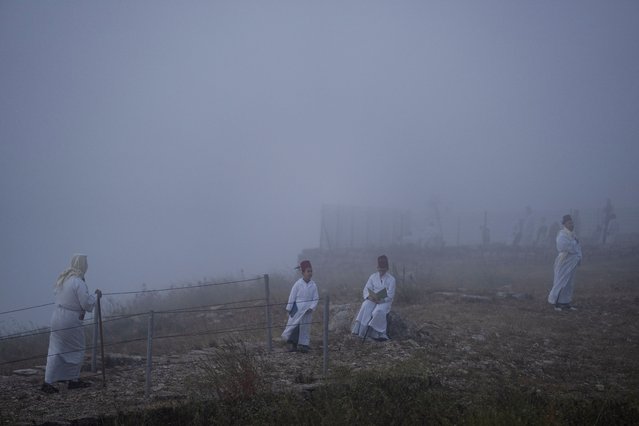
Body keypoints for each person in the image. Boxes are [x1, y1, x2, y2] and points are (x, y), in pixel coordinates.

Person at [41, 254, 101, 393]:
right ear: (83, 265)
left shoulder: (64, 279)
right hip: (70, 319)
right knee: (77, 348)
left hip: (57, 317)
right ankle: (73, 380)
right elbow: (86, 304)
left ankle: (48, 382)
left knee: (55, 350)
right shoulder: (78, 282)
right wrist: (95, 296)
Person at [351, 255, 396, 341]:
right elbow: (367, 289)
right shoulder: (373, 277)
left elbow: (390, 294)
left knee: (378, 311)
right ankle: (362, 331)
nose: (381, 271)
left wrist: (381, 300)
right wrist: (370, 297)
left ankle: (377, 334)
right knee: (365, 306)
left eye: (383, 269)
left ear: (386, 269)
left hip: (384, 301)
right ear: (377, 268)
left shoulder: (391, 279)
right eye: (380, 269)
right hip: (373, 298)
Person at [281, 260, 319, 353]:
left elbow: (316, 298)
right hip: (297, 309)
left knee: (305, 327)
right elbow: (292, 296)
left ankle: (304, 345)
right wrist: (289, 308)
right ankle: (293, 345)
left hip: (307, 311)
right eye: (308, 271)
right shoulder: (298, 284)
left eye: (311, 271)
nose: (310, 273)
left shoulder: (313, 285)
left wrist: (311, 308)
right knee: (295, 326)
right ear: (303, 273)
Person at [548, 215, 582, 311]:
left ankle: (566, 302)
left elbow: (578, 247)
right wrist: (574, 243)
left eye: (572, 223)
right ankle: (556, 303)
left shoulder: (573, 235)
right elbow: (563, 246)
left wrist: (579, 256)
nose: (571, 225)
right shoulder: (562, 234)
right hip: (564, 261)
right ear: (564, 224)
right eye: (569, 223)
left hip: (572, 262)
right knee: (561, 281)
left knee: (569, 283)